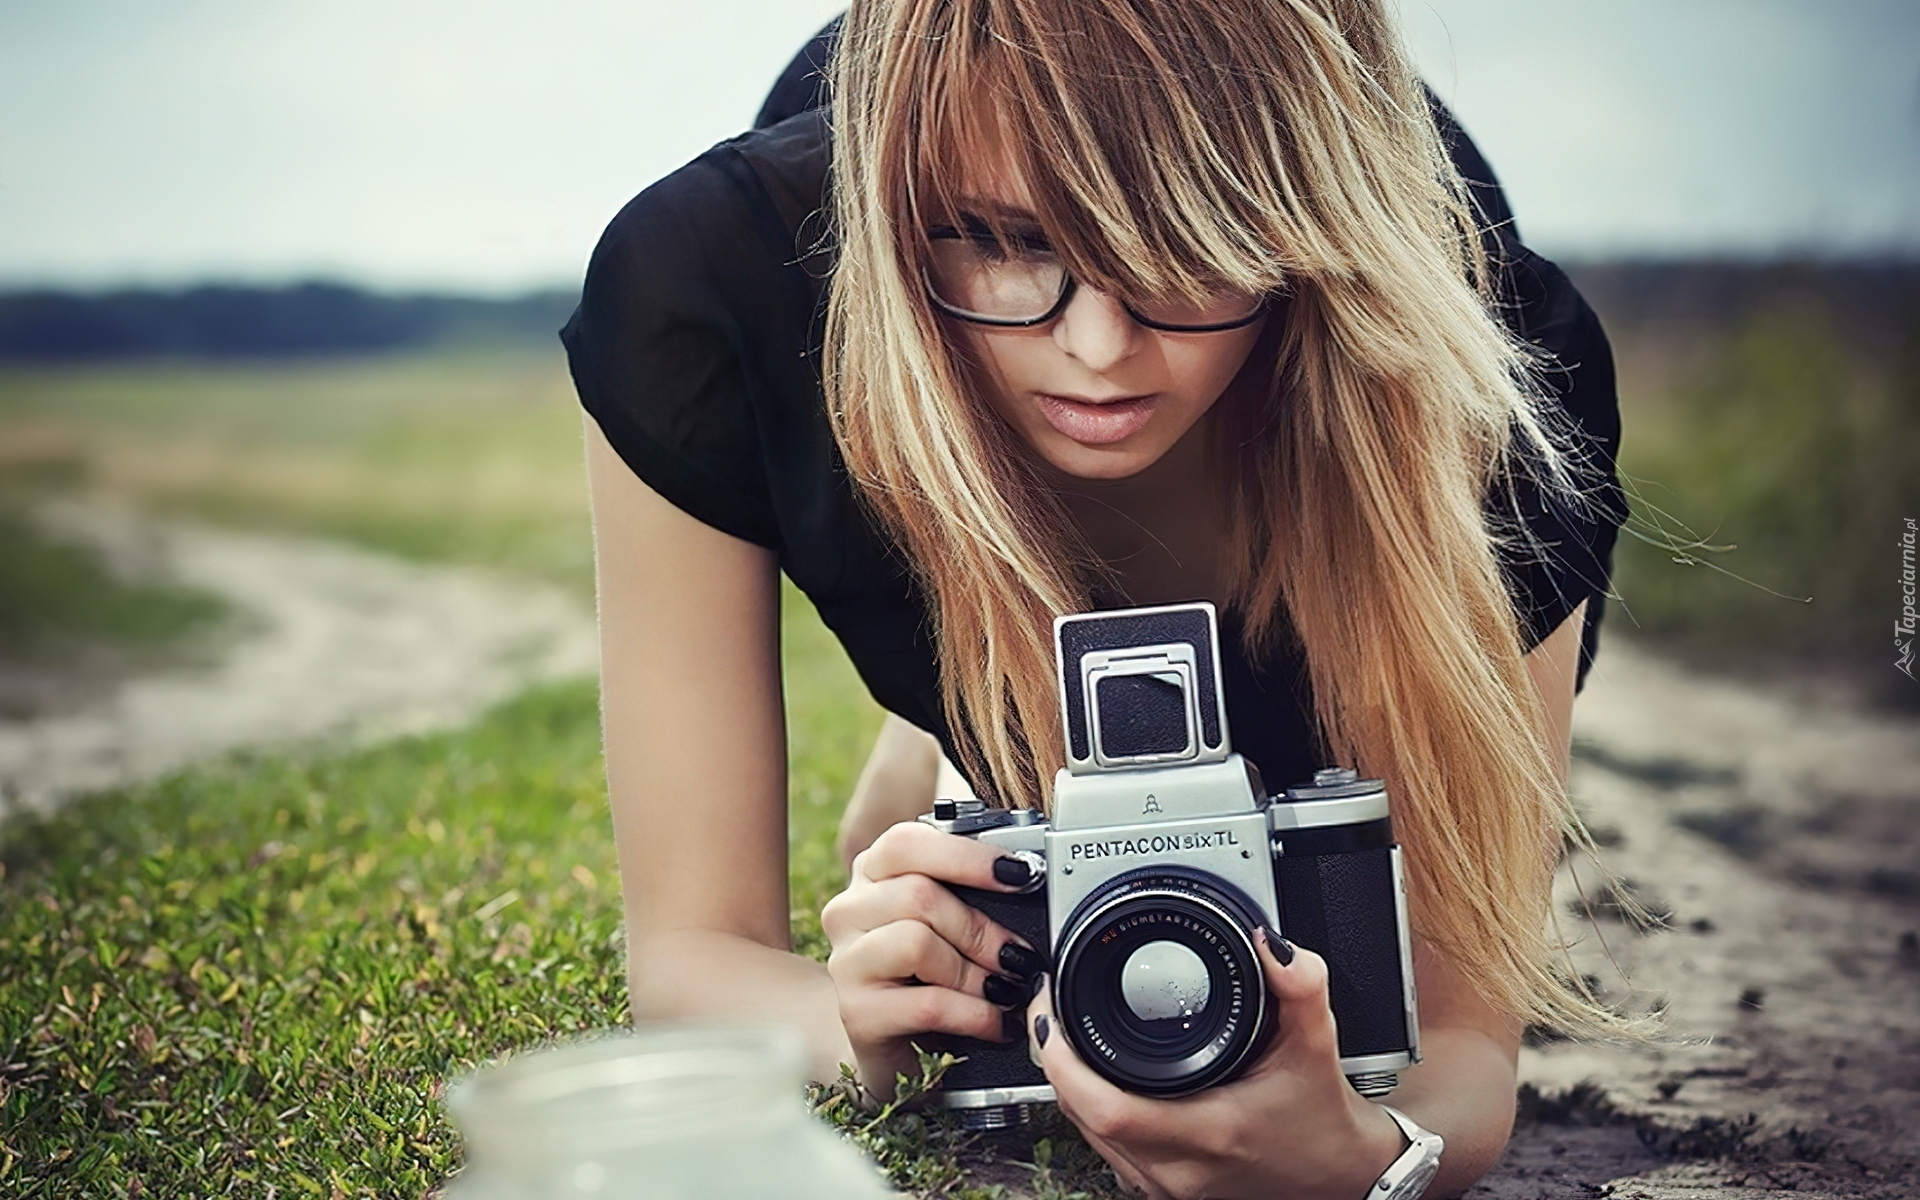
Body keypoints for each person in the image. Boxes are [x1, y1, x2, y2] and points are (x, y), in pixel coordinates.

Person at [563, 2, 1628, 1195]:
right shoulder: (721, 291)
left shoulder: (1496, 381)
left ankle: (974, 723)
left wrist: (1361, 1159)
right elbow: (690, 958)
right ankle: (956, 708)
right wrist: (859, 1033)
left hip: (1366, 420)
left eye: (1184, 248)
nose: (1100, 345)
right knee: (986, 806)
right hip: (884, 343)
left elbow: (1466, 1043)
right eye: (1005, 242)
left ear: (1299, 236)